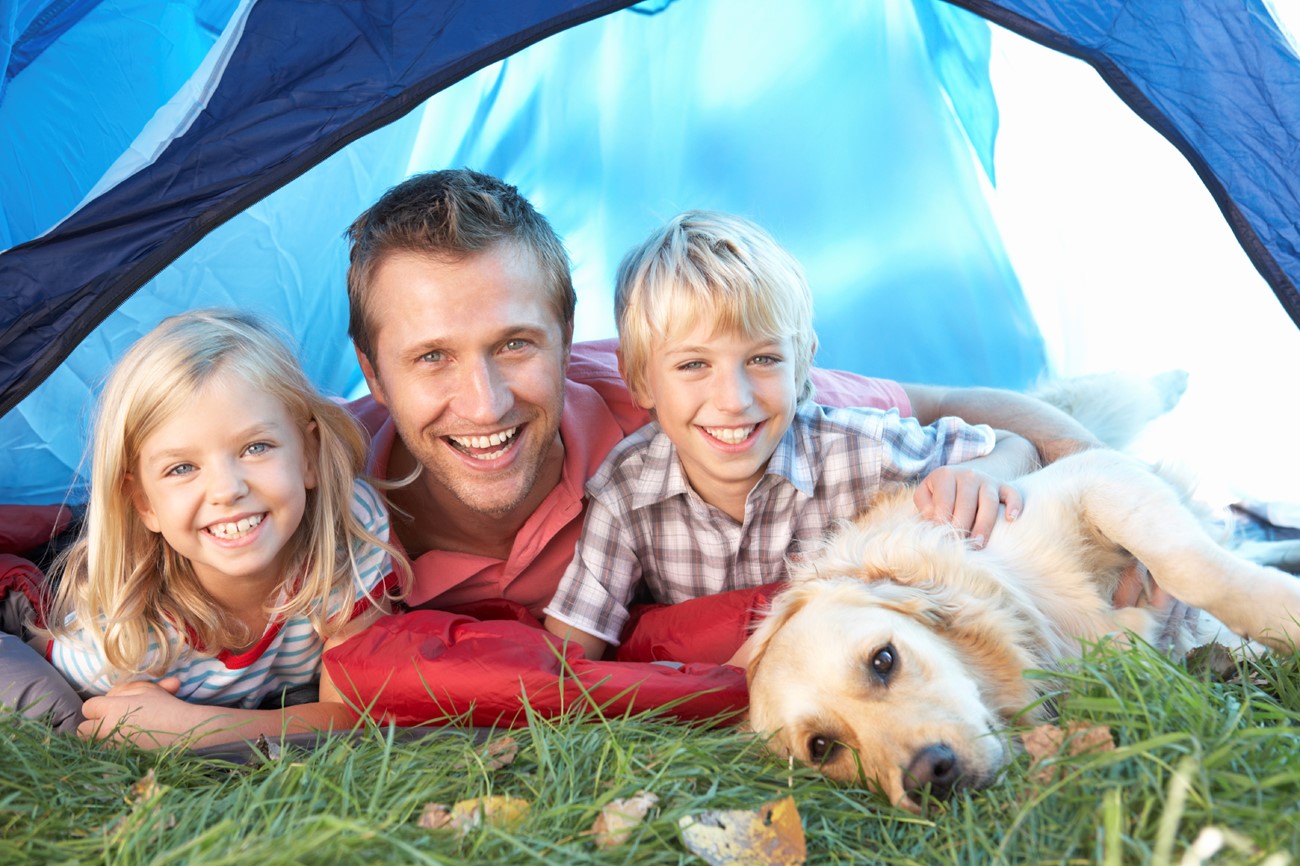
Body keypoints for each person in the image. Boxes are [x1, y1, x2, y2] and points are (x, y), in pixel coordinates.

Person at [344, 169, 1101, 622]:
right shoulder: (305, 484)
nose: (483, 403)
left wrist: (1083, 483)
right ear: (373, 373)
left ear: (568, 336)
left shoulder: (686, 397)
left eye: (515, 345)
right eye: (432, 357)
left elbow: (948, 403)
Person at [540, 211, 1036, 659]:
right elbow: (570, 649)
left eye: (763, 359)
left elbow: (1017, 445)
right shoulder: (627, 493)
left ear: (802, 366)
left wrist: (982, 474)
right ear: (641, 379)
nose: (733, 399)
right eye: (694, 364)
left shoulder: (855, 450)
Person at [33, 309, 407, 748]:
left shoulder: (348, 530)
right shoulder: (120, 636)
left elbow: (354, 715)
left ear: (308, 454)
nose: (227, 490)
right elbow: (76, 696)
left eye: (256, 447)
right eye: (182, 468)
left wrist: (189, 729)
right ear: (144, 502)